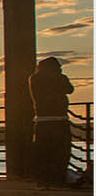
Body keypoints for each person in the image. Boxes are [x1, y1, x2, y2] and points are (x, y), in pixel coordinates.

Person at [30, 56, 74, 186]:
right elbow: (70, 89)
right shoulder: (60, 78)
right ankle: (58, 178)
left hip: (42, 120)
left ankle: (43, 179)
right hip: (59, 119)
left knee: (43, 151)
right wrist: (60, 77)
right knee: (61, 151)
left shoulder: (34, 79)